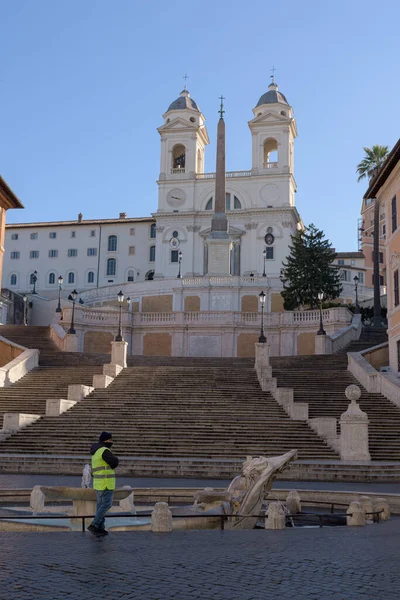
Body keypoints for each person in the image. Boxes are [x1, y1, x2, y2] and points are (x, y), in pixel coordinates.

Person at [87, 431, 119, 537]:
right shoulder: (104, 451)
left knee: (100, 506)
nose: (111, 442)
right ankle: (94, 525)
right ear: (105, 440)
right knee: (107, 504)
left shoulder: (95, 451)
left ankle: (100, 528)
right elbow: (114, 462)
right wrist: (116, 459)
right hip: (106, 483)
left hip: (98, 483)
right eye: (110, 440)